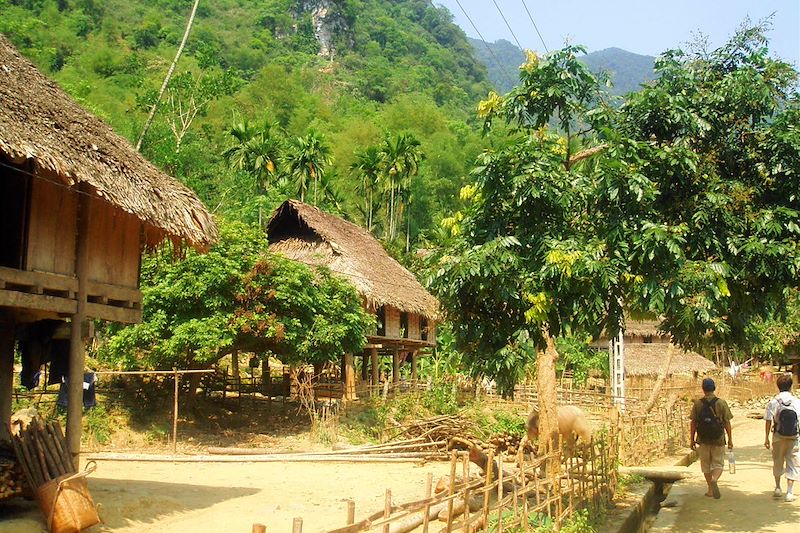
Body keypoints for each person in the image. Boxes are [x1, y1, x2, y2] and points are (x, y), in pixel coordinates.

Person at [690, 377, 733, 499]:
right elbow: (727, 423)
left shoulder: (698, 404)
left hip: (703, 439)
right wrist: (730, 439)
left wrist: (692, 439)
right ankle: (715, 479)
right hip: (718, 439)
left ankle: (710, 489)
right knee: (718, 463)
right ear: (714, 388)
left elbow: (693, 423)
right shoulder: (721, 403)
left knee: (706, 465)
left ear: (703, 389)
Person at [764, 373, 800, 502]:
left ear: (778, 386)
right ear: (791, 386)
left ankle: (778, 488)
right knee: (792, 462)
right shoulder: (797, 401)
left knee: (778, 460)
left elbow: (768, 420)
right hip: (794, 437)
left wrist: (766, 438)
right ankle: (789, 492)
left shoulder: (773, 402)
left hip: (778, 436)